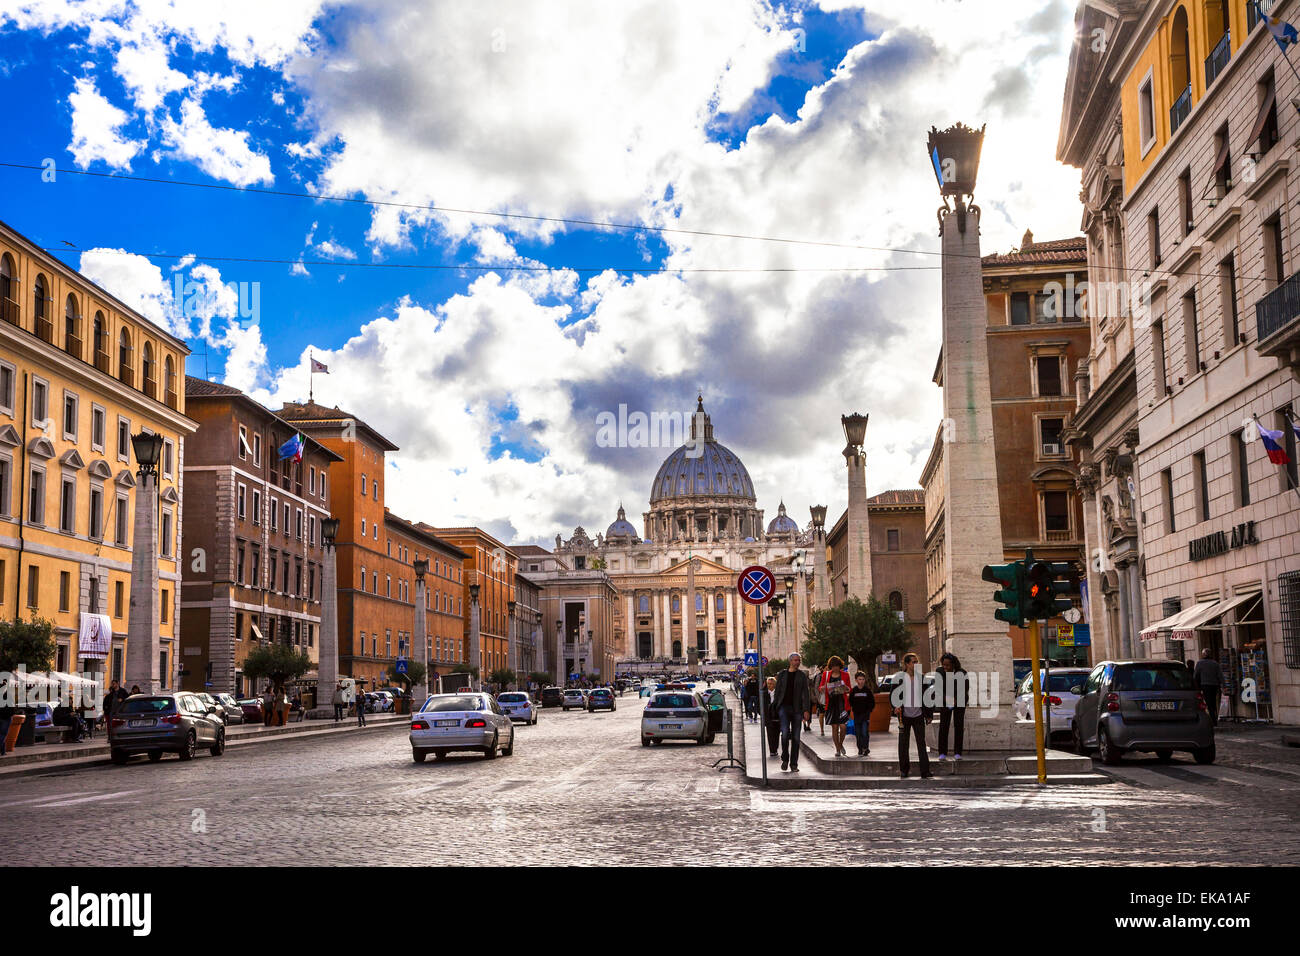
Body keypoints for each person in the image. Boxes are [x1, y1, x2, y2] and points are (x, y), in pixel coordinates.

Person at [892, 652, 932, 779]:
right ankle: (904, 770)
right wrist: (895, 706)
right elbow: (893, 694)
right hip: (904, 716)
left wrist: (929, 714)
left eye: (916, 662)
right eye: (913, 662)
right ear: (907, 664)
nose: (916, 664)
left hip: (919, 715)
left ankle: (925, 771)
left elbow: (928, 697)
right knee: (903, 744)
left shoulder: (922, 678)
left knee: (921, 743)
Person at [772, 653, 811, 773]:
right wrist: (776, 706)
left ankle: (794, 764)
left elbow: (806, 693)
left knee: (796, 737)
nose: (797, 662)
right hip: (784, 708)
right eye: (795, 660)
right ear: (790, 661)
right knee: (784, 734)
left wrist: (806, 710)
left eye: (799, 660)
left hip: (797, 709)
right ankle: (785, 758)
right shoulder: (782, 675)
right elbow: (777, 691)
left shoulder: (802, 676)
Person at [934, 652, 967, 761]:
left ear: (953, 664)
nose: (945, 667)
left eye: (947, 665)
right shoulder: (939, 671)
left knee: (958, 725)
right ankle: (942, 752)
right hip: (944, 700)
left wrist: (955, 700)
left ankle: (958, 752)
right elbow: (938, 688)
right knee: (944, 726)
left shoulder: (961, 672)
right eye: (943, 664)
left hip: (959, 700)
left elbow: (964, 688)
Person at [821, 657, 852, 757]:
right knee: (834, 727)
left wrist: (847, 688)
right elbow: (821, 687)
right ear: (831, 666)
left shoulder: (845, 675)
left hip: (842, 704)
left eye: (837, 666)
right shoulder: (826, 675)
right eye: (833, 666)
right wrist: (822, 687)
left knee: (843, 727)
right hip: (831, 705)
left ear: (840, 666)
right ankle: (838, 749)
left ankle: (840, 744)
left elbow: (849, 688)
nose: (835, 668)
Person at [847, 670, 875, 756]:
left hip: (865, 715)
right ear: (856, 680)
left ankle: (865, 748)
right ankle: (860, 748)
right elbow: (850, 701)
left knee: (864, 732)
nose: (861, 681)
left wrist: (869, 711)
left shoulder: (867, 691)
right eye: (859, 679)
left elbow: (872, 702)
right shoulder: (853, 691)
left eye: (863, 679)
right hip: (857, 715)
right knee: (858, 733)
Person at [1193, 649, 1224, 727]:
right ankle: (1214, 718)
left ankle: (1213, 720)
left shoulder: (1200, 663)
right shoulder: (1215, 663)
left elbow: (1195, 676)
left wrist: (1195, 686)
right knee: (1213, 702)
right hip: (1214, 685)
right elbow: (1220, 675)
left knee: (1208, 703)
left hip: (1205, 685)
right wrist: (1224, 685)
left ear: (1203, 655)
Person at [762, 676, 781, 757]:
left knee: (776, 734)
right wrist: (763, 714)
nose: (770, 685)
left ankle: (775, 748)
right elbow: (760, 705)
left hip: (777, 717)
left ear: (775, 684)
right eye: (768, 684)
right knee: (770, 734)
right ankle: (772, 751)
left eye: (771, 684)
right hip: (768, 717)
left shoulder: (779, 693)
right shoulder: (763, 693)